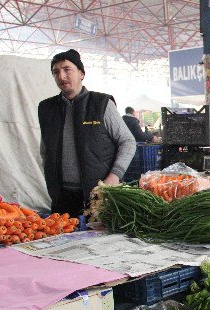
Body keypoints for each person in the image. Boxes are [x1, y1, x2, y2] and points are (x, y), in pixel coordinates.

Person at [38, 49, 136, 217]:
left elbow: (127, 141)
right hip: (62, 197)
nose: (61, 76)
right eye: (56, 72)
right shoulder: (47, 108)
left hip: (99, 194)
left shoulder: (101, 104)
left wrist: (114, 176)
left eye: (67, 69)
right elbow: (44, 149)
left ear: (81, 73)